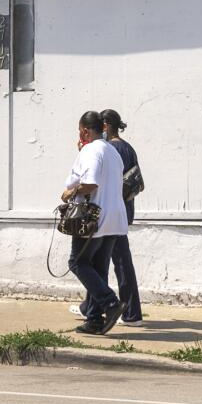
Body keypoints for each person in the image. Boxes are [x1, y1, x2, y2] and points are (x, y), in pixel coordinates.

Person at [59, 107, 126, 334]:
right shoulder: (112, 151)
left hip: (93, 218)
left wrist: (71, 192)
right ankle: (95, 318)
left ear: (86, 132)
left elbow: (91, 183)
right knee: (98, 267)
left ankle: (110, 303)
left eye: (80, 131)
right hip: (114, 218)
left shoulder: (91, 151)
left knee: (77, 262)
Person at [100, 109, 144, 324]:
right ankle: (93, 306)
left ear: (106, 125)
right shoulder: (128, 148)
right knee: (109, 260)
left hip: (111, 213)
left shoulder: (110, 149)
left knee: (114, 262)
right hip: (124, 211)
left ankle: (130, 312)